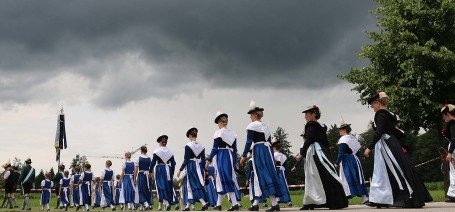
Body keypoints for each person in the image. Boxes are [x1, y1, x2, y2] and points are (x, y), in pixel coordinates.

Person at [364, 92, 432, 208]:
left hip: (387, 145)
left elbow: (379, 132)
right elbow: (390, 129)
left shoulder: (380, 114)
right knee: (386, 171)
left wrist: (369, 147)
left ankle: (404, 198)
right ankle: (382, 199)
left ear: (378, 103)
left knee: (392, 170)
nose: (372, 108)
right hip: (392, 143)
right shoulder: (389, 114)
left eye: (372, 105)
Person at [298, 105, 348, 210]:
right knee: (321, 175)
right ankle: (320, 201)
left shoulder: (311, 125)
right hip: (319, 151)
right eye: (305, 114)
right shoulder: (319, 126)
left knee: (318, 176)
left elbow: (309, 139)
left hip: (316, 153)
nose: (305, 116)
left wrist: (301, 153)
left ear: (314, 115)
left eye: (307, 114)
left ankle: (326, 201)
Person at [239, 100, 282, 211]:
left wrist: (243, 155)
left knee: (262, 174)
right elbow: (269, 141)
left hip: (259, 151)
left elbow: (249, 142)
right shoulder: (266, 126)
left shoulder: (252, 126)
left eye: (250, 115)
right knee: (265, 174)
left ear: (254, 115)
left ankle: (271, 203)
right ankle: (258, 204)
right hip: (267, 151)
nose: (250, 117)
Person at [207, 111, 240, 211]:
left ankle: (234, 203)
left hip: (221, 156)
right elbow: (235, 150)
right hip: (230, 156)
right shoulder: (233, 134)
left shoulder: (218, 133)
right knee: (222, 180)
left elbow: (215, 148)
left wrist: (209, 159)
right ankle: (219, 204)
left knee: (223, 179)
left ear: (219, 122)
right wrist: (234, 162)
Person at [335, 119, 368, 203]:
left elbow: (341, 152)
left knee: (346, 178)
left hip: (347, 161)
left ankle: (344, 199)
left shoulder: (343, 139)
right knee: (358, 177)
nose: (339, 131)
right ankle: (365, 197)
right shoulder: (353, 138)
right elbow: (358, 151)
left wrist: (337, 162)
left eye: (340, 130)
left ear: (344, 130)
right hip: (355, 159)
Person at [177, 128, 210, 211]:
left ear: (190, 136)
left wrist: (180, 170)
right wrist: (205, 171)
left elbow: (186, 160)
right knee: (191, 186)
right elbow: (203, 161)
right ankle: (188, 206)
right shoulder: (201, 146)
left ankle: (203, 203)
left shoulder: (188, 146)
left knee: (193, 185)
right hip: (199, 167)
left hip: (191, 166)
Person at [151, 134, 177, 211]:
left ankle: (166, 203)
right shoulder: (170, 151)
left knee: (160, 186)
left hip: (160, 169)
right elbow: (174, 163)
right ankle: (167, 204)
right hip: (168, 169)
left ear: (159, 142)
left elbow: (153, 162)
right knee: (168, 186)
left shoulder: (157, 151)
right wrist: (172, 172)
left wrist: (150, 171)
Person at [441, 104, 455, 202]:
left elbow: (454, 138)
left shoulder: (452, 123)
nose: (443, 117)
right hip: (453, 147)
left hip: (454, 149)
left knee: (453, 171)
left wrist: (450, 152)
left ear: (447, 114)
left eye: (443, 115)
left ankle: (453, 194)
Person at [271, 140, 292, 206]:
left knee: (275, 185)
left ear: (273, 147)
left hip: (276, 171)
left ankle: (277, 200)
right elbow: (285, 166)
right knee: (283, 185)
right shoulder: (283, 155)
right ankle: (287, 201)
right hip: (281, 172)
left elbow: (275, 163)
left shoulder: (272, 155)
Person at [134, 146, 153, 210]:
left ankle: (146, 204)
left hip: (141, 175)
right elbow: (151, 169)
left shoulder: (138, 158)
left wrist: (134, 178)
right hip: (148, 175)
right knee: (147, 190)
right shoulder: (149, 159)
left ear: (141, 151)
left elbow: (136, 170)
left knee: (141, 190)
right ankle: (145, 205)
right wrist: (151, 176)